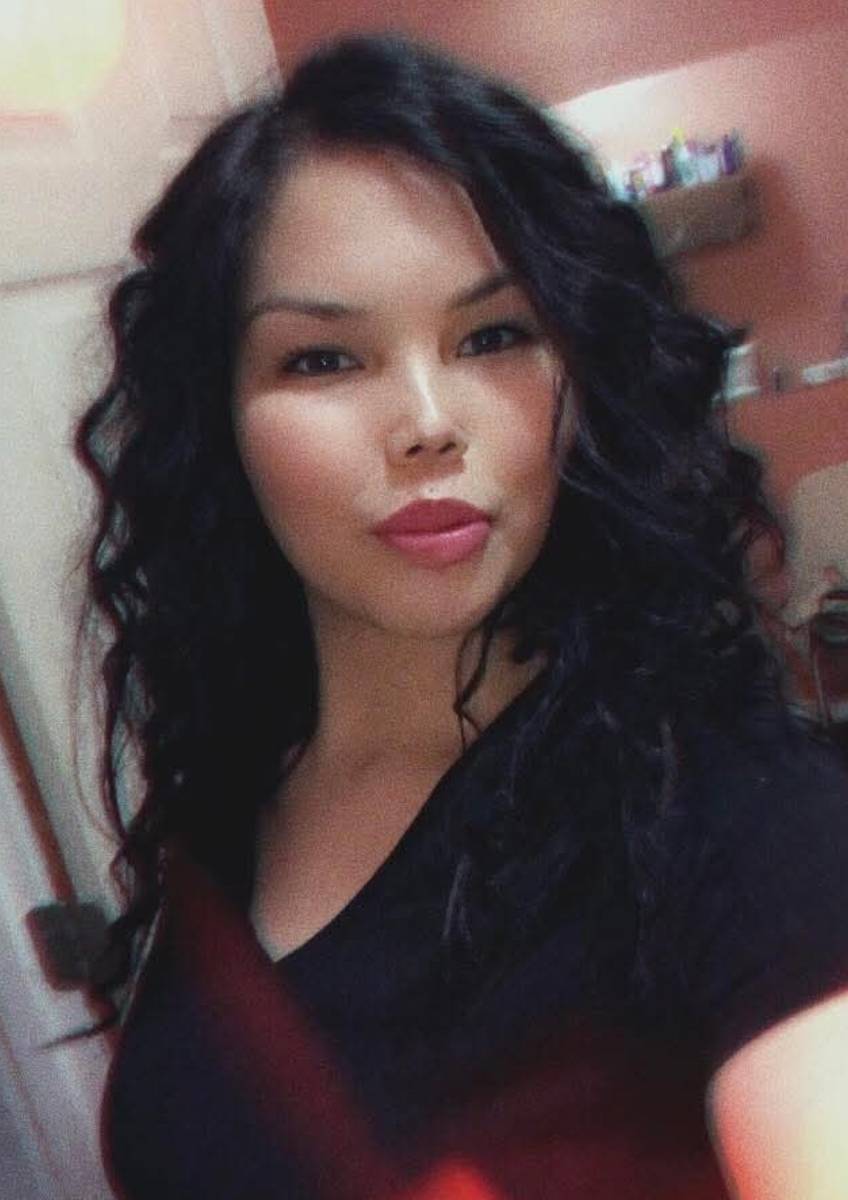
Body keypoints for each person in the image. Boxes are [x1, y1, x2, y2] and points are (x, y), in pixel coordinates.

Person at [77, 33, 848, 1200]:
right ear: (219, 419)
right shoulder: (232, 797)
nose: (427, 423)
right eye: (323, 359)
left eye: (493, 337)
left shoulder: (728, 812)